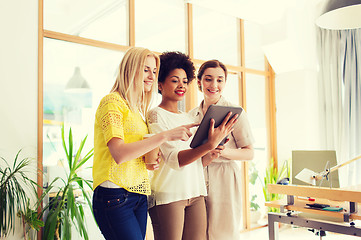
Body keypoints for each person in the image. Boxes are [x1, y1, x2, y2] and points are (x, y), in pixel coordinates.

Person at [92, 47, 198, 240]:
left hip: (139, 195)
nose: (151, 76)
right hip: (114, 193)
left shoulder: (136, 110)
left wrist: (150, 159)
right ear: (130, 69)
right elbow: (119, 153)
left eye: (154, 71)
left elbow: (134, 151)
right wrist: (165, 135)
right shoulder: (111, 102)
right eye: (146, 69)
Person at [146, 52, 238, 240]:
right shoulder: (155, 115)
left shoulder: (189, 117)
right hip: (169, 196)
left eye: (185, 81)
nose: (181, 86)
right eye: (174, 80)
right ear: (160, 84)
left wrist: (210, 153)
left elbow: (196, 162)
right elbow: (175, 161)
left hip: (196, 193)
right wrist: (208, 145)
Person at [189, 60, 255, 240]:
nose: (214, 85)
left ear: (225, 83)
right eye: (208, 79)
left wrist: (221, 151)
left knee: (224, 232)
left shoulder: (235, 112)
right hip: (198, 176)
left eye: (220, 80)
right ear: (199, 82)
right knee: (199, 232)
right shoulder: (190, 115)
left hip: (225, 176)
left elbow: (249, 152)